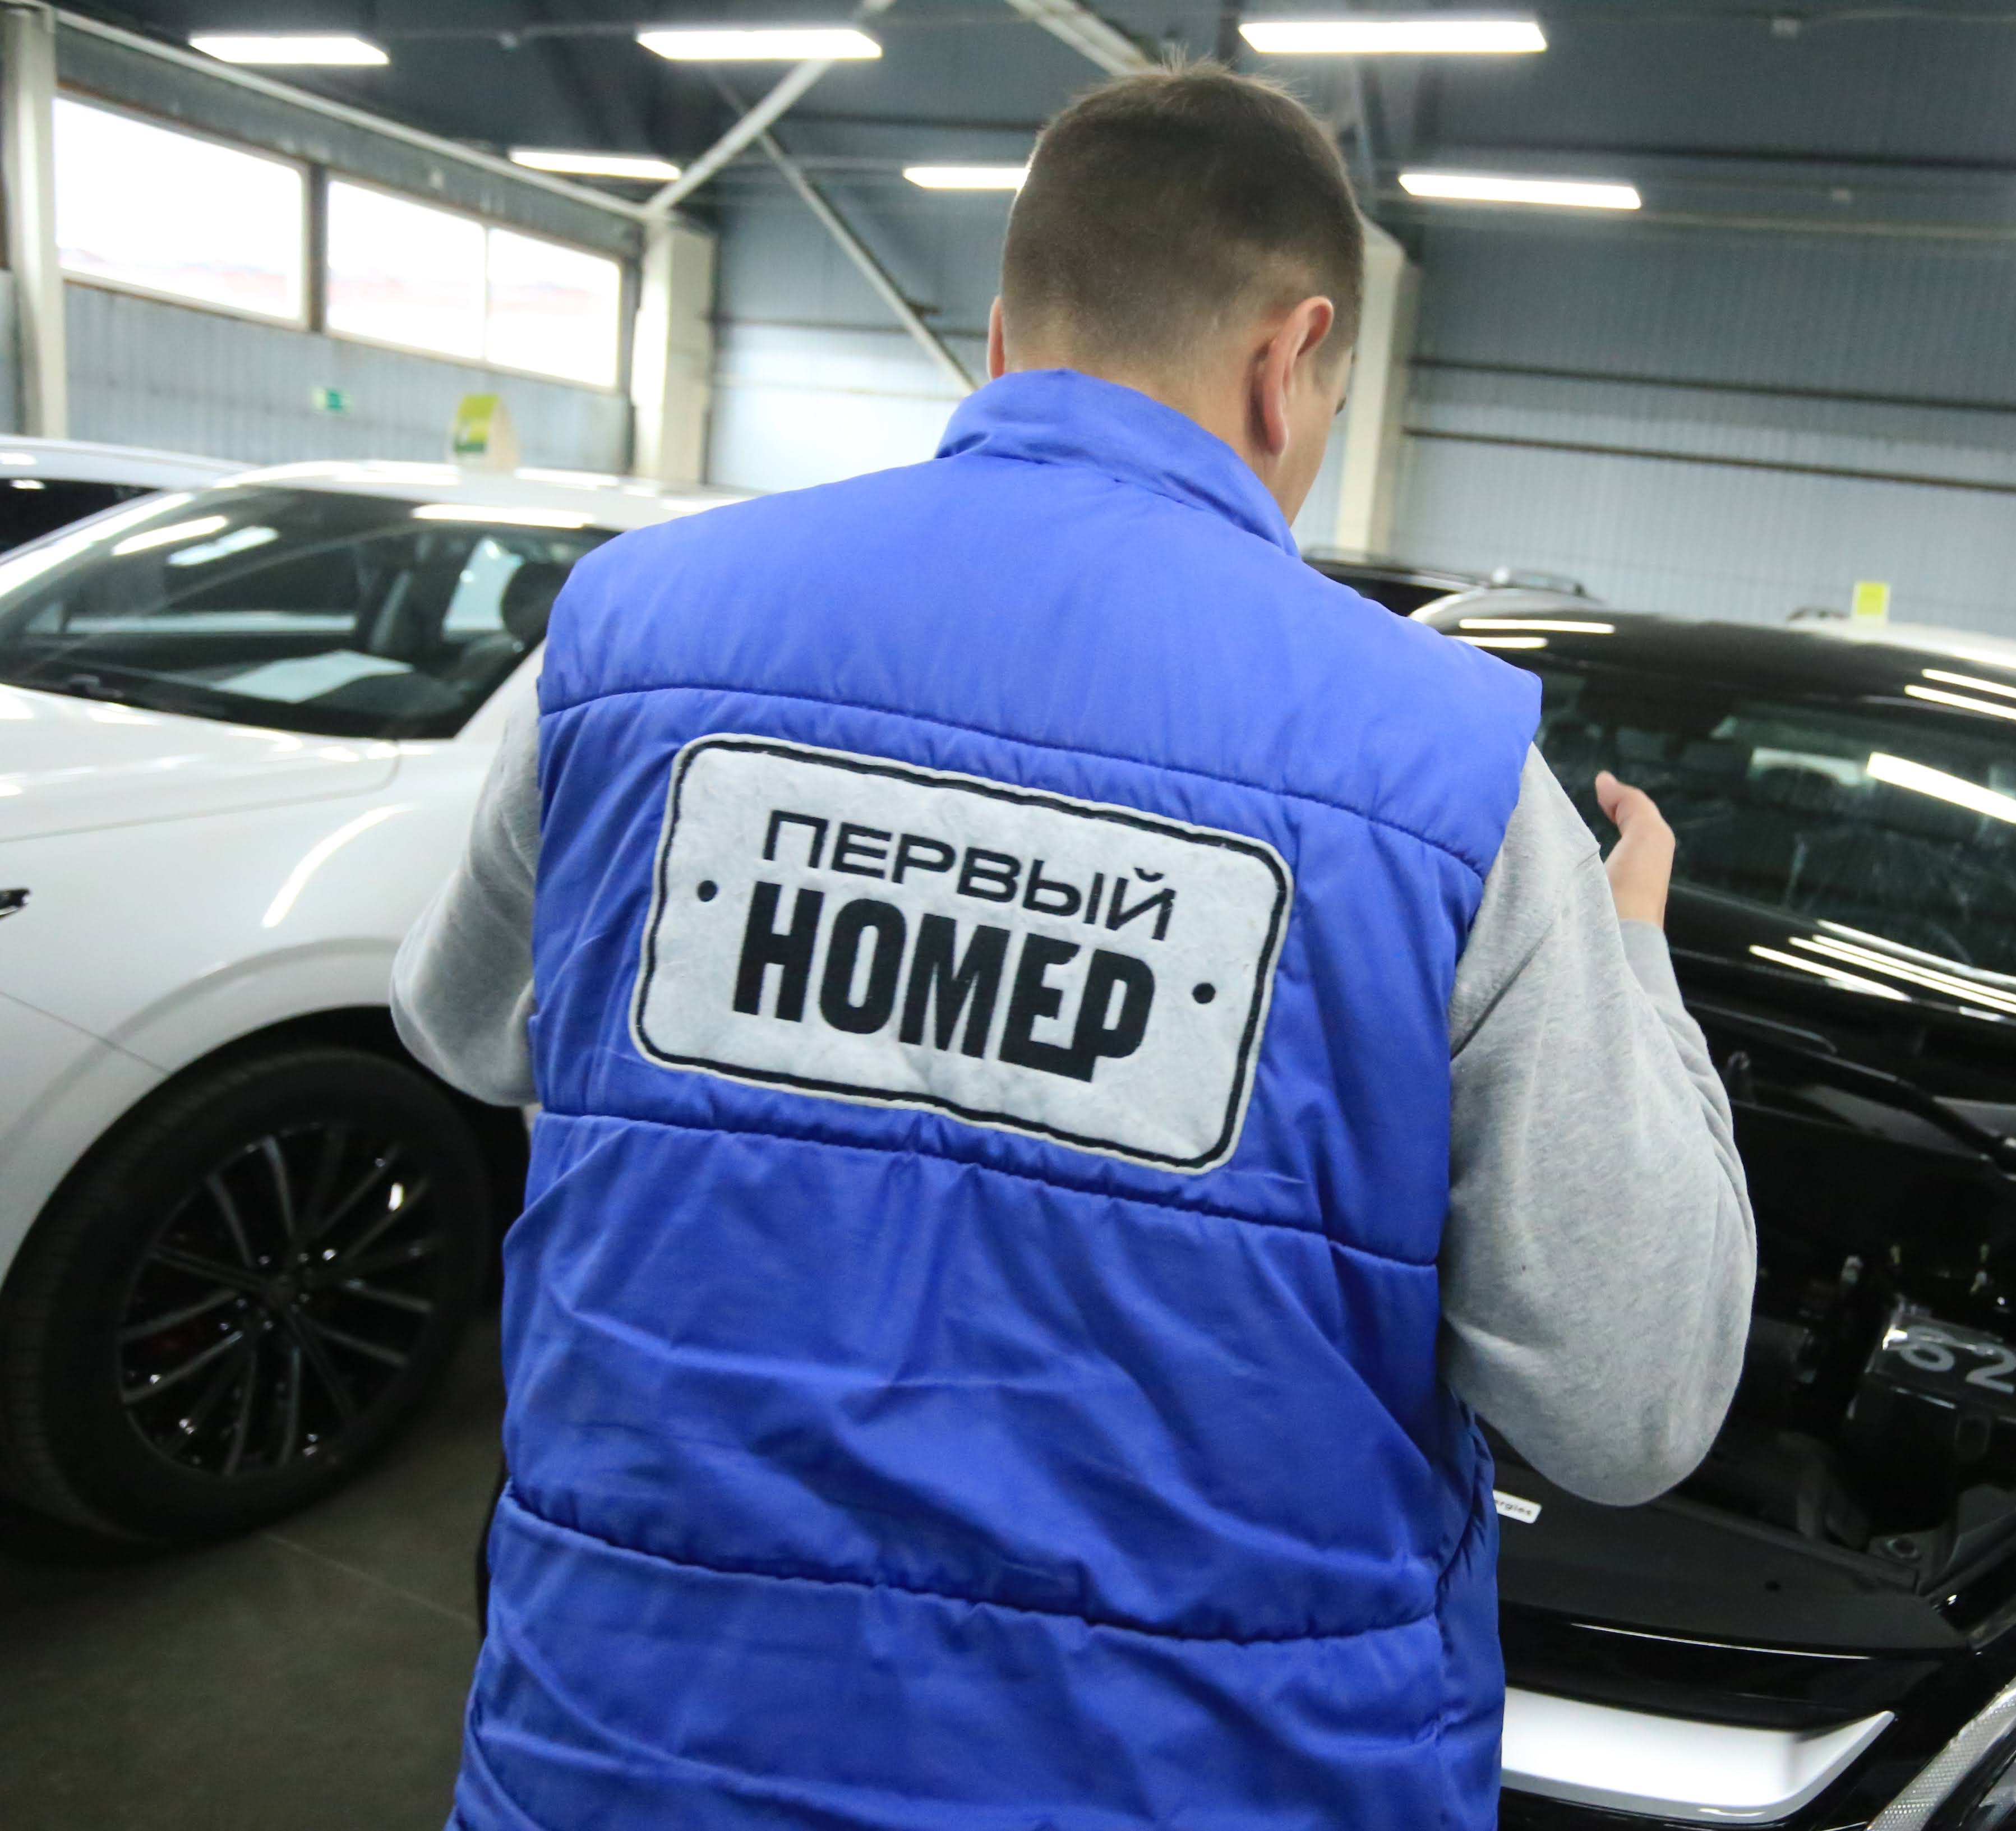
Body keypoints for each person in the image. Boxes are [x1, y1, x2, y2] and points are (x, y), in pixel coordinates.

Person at [393, 65, 1752, 1831]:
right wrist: (1634, 960)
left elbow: (458, 1021)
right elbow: (1632, 1404)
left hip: (626, 1756)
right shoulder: (1452, 774)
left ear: (1001, 334)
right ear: (1291, 357)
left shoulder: (634, 631)